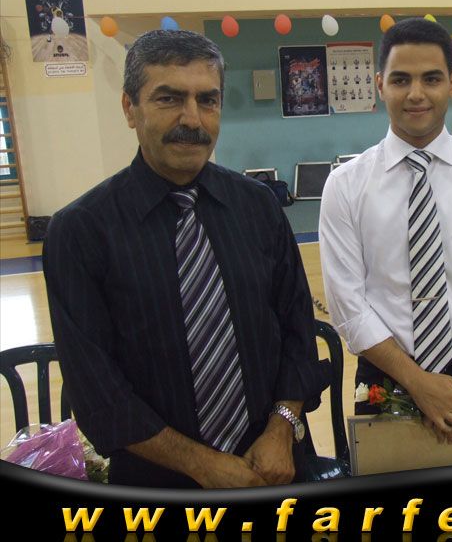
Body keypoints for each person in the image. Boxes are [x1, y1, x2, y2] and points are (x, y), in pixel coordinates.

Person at [43, 29, 327, 488]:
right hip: (156, 483)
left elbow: (297, 332)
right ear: (129, 108)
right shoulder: (80, 232)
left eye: (207, 100)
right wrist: (203, 465)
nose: (192, 119)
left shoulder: (258, 207)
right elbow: (98, 392)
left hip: (275, 466)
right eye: (169, 98)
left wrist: (281, 429)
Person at [319, 18, 452, 441]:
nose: (415, 94)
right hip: (386, 373)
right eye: (400, 79)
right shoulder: (345, 185)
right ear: (380, 84)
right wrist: (419, 384)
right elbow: (348, 306)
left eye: (430, 78)